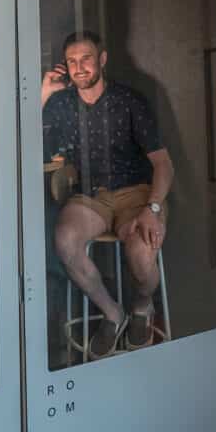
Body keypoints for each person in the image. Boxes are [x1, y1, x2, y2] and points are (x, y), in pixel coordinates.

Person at [42, 30, 174, 358]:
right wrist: (43, 96)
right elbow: (31, 148)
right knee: (64, 240)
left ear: (102, 59)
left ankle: (142, 306)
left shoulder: (129, 100)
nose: (79, 67)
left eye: (86, 58)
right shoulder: (61, 104)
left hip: (137, 193)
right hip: (91, 197)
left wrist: (153, 208)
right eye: (72, 62)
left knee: (142, 254)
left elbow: (164, 165)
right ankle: (112, 312)